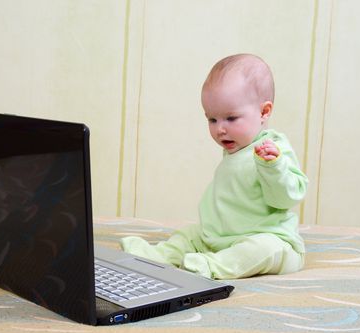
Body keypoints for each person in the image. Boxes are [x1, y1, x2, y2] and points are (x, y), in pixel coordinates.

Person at [121, 53, 308, 279]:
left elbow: (286, 198)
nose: (220, 129)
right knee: (190, 234)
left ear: (263, 112)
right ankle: (159, 255)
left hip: (270, 236)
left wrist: (273, 167)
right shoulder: (237, 148)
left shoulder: (274, 149)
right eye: (212, 119)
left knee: (262, 249)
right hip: (220, 237)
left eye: (230, 118)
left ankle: (213, 266)